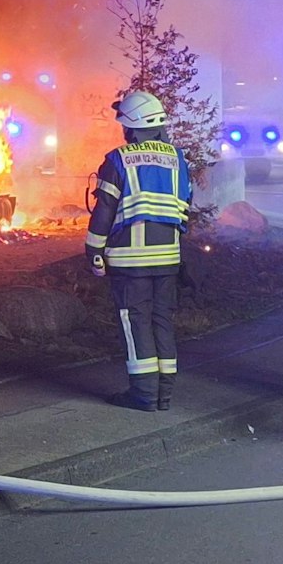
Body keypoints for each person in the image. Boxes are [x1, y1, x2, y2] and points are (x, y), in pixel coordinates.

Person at [85, 89, 194, 411]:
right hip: (168, 257)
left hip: (129, 259)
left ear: (130, 126)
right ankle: (164, 394)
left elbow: (104, 209)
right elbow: (185, 204)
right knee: (162, 319)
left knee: (135, 321)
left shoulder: (118, 159)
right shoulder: (178, 159)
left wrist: (93, 250)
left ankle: (143, 394)